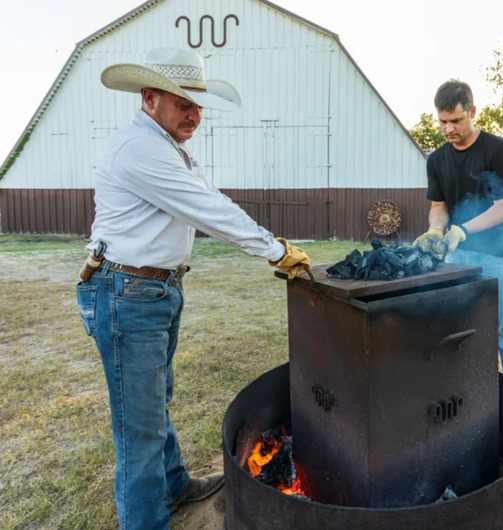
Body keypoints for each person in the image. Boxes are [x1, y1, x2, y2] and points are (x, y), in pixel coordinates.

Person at [75, 48, 311, 530]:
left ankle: (175, 485)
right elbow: (207, 209)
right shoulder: (139, 149)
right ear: (149, 98)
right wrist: (274, 249)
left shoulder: (170, 148)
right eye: (183, 103)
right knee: (137, 429)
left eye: (198, 104)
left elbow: (210, 200)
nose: (195, 114)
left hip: (152, 291)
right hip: (128, 294)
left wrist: (271, 245)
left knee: (153, 402)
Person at [413, 79, 503, 400]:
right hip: (461, 258)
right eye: (443, 121)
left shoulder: (500, 151)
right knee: (462, 333)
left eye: (456, 120)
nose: (448, 128)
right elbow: (439, 207)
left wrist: (462, 229)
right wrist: (437, 230)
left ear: (472, 112)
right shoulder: (437, 160)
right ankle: (472, 402)